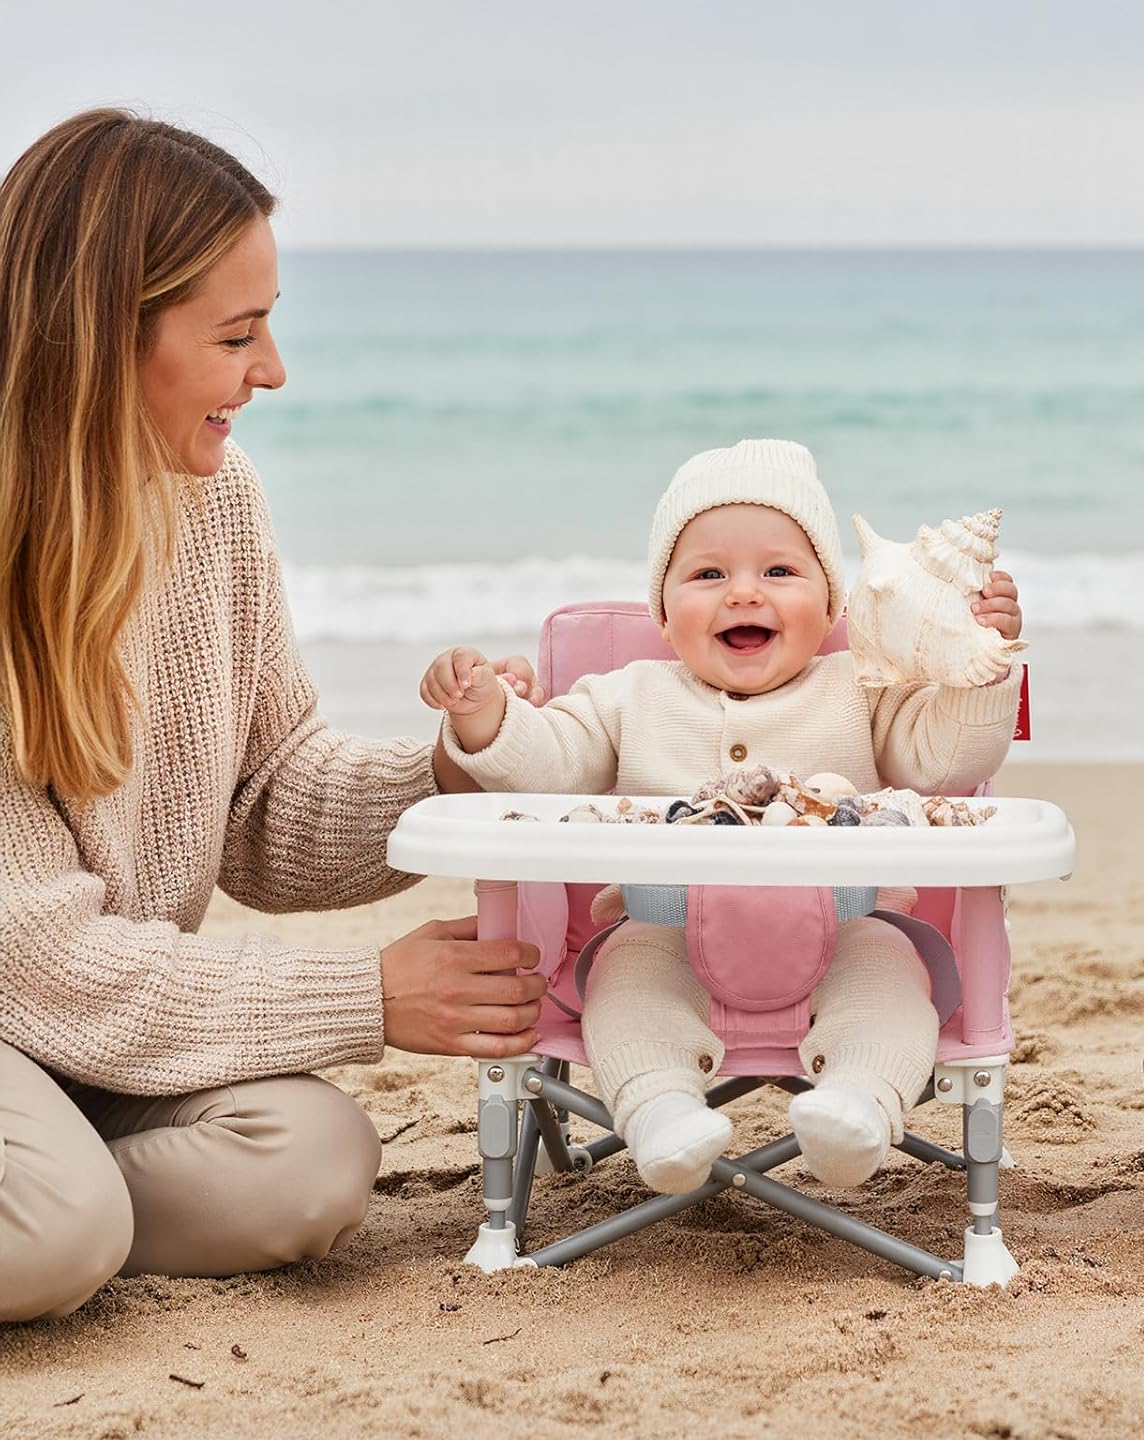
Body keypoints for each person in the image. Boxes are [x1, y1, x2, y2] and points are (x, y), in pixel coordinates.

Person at [0, 110, 549, 1325]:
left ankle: (61, 1205)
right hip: (21, 999)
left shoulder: (214, 501)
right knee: (57, 1224)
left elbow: (264, 801)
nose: (275, 371)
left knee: (310, 1162)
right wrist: (367, 1000)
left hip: (75, 1034)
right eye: (237, 334)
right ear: (100, 341)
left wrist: (462, 764)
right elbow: (27, 953)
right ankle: (57, 1215)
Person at [421, 439, 1024, 1193]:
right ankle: (661, 1115)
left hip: (848, 930)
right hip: (661, 931)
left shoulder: (865, 688)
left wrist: (982, 665)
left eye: (779, 571)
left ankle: (858, 1111)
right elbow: (546, 766)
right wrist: (486, 714)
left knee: (896, 987)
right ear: (664, 614)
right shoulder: (626, 695)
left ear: (834, 605)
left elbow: (946, 761)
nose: (744, 593)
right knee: (621, 990)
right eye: (708, 575)